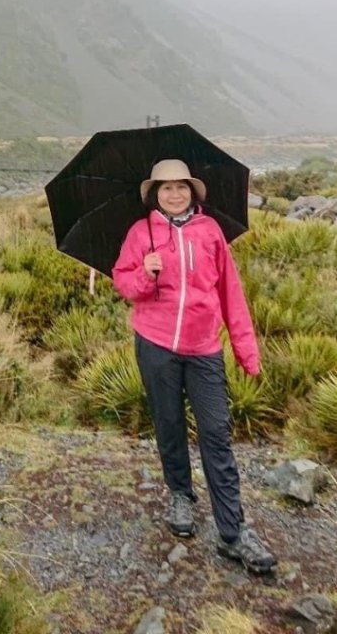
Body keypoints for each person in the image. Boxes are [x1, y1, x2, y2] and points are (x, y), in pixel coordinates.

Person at [112, 159, 277, 575]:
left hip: (204, 348)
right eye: (165, 188)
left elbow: (230, 293)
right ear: (155, 193)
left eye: (180, 186)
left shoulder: (211, 233)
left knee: (216, 433)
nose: (173, 194)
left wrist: (246, 351)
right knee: (167, 423)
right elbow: (124, 284)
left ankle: (233, 532)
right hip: (155, 345)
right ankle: (181, 495)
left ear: (193, 191)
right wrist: (145, 274)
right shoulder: (141, 232)